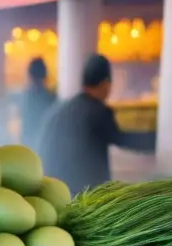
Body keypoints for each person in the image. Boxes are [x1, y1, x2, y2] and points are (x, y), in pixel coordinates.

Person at [37, 54, 134, 196]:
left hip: (56, 191)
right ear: (105, 84)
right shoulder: (99, 112)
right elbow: (123, 139)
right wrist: (159, 141)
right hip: (86, 195)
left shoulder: (59, 110)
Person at [19, 57, 56, 151]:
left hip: (29, 145)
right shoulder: (50, 98)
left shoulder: (25, 97)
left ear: (30, 75)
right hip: (45, 145)